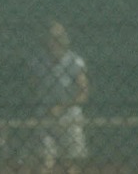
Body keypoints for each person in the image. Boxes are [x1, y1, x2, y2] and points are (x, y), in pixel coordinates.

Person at [31, 20, 89, 173]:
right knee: (45, 161)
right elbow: (32, 88)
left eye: (59, 36)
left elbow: (83, 92)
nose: (56, 40)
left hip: (69, 116)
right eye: (52, 36)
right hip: (45, 116)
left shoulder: (74, 61)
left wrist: (62, 107)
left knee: (69, 163)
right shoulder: (38, 61)